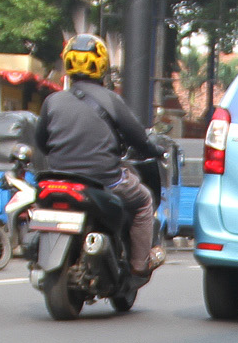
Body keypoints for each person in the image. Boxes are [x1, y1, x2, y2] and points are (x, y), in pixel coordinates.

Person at [33, 33, 165, 277]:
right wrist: (155, 150)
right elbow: (138, 138)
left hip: (57, 180)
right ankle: (139, 264)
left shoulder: (52, 101)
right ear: (102, 66)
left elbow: (41, 142)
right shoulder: (112, 100)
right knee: (144, 200)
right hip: (105, 181)